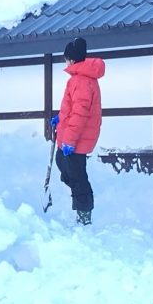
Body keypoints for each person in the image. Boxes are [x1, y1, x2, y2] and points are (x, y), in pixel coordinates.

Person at [51, 37, 105, 226]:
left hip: (77, 139)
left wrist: (70, 141)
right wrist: (60, 117)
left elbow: (80, 114)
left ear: (72, 60)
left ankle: (84, 213)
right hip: (70, 134)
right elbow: (73, 107)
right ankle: (81, 201)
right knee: (64, 166)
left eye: (66, 58)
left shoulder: (81, 81)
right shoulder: (78, 79)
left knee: (77, 176)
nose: (65, 62)